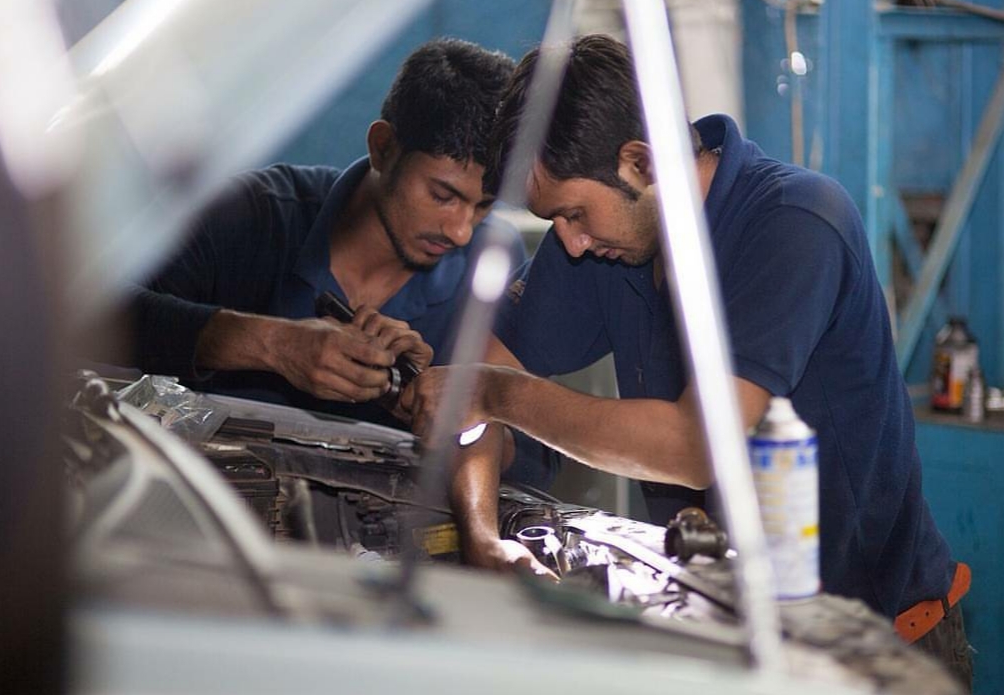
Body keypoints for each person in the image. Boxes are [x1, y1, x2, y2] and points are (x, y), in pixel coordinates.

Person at [404, 34, 972, 686]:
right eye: (555, 220)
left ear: (641, 163)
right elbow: (475, 376)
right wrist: (483, 536)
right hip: (726, 640)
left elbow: (696, 445)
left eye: (574, 215)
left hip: (876, 649)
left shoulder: (795, 224)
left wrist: (497, 395)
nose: (569, 241)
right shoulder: (598, 244)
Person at [128, 37, 557, 491]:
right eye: (442, 195)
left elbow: (537, 459)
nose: (460, 231)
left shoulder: (493, 266)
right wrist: (270, 344)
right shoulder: (254, 216)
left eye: (484, 206)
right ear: (383, 148)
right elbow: (103, 317)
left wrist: (437, 409)